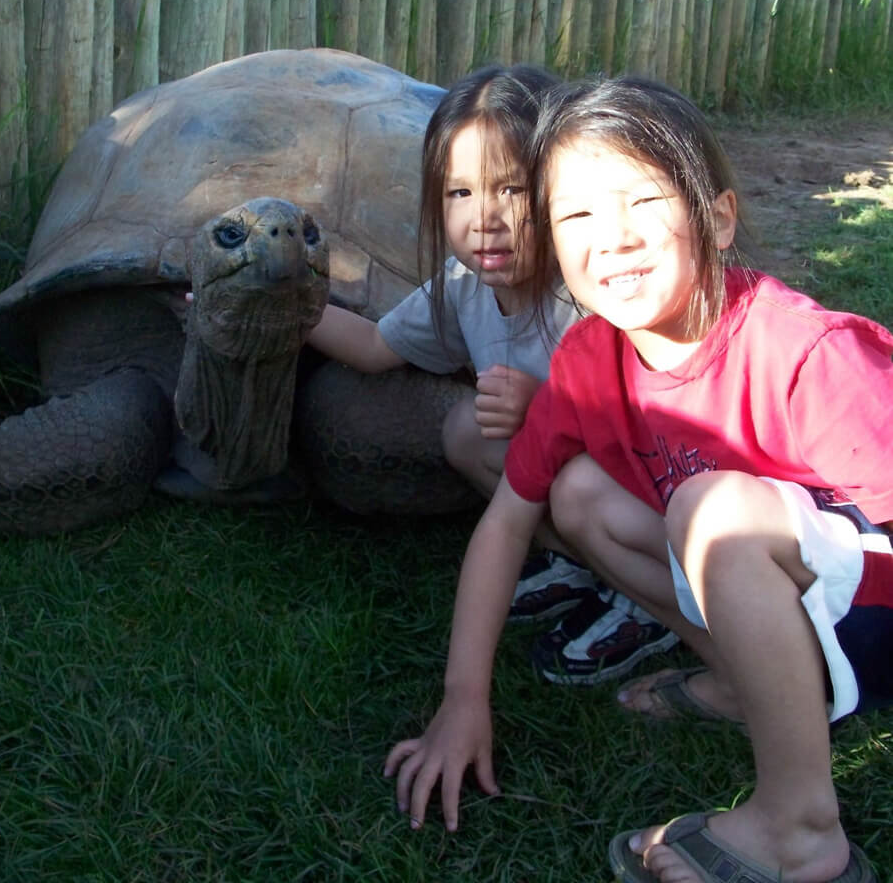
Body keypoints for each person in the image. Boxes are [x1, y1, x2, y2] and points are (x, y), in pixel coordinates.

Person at [384, 76, 891, 883]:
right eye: (577, 214)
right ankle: (738, 681)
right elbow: (506, 523)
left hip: (872, 621)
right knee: (581, 497)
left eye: (643, 201)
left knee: (709, 508)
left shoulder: (806, 354)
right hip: (782, 607)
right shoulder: (587, 366)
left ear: (718, 220)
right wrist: (461, 699)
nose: (611, 238)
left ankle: (801, 831)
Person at [307, 63, 675, 680]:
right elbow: (374, 346)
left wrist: (545, 406)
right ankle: (583, 567)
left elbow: (651, 431)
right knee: (465, 432)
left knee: (574, 481)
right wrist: (287, 310)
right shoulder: (462, 287)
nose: (485, 218)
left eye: (511, 189)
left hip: (646, 498)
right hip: (573, 484)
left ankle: (652, 603)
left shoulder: (590, 293)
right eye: (460, 192)